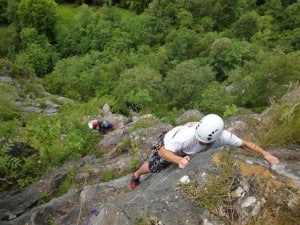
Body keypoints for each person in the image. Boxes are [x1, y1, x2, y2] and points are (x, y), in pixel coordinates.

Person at [130, 114, 279, 189]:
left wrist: (266, 154)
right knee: (155, 166)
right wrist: (178, 160)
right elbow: (163, 151)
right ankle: (136, 175)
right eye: (199, 139)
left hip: (185, 150)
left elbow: (245, 144)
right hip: (167, 143)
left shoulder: (223, 136)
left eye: (204, 141)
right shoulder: (186, 137)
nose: (200, 141)